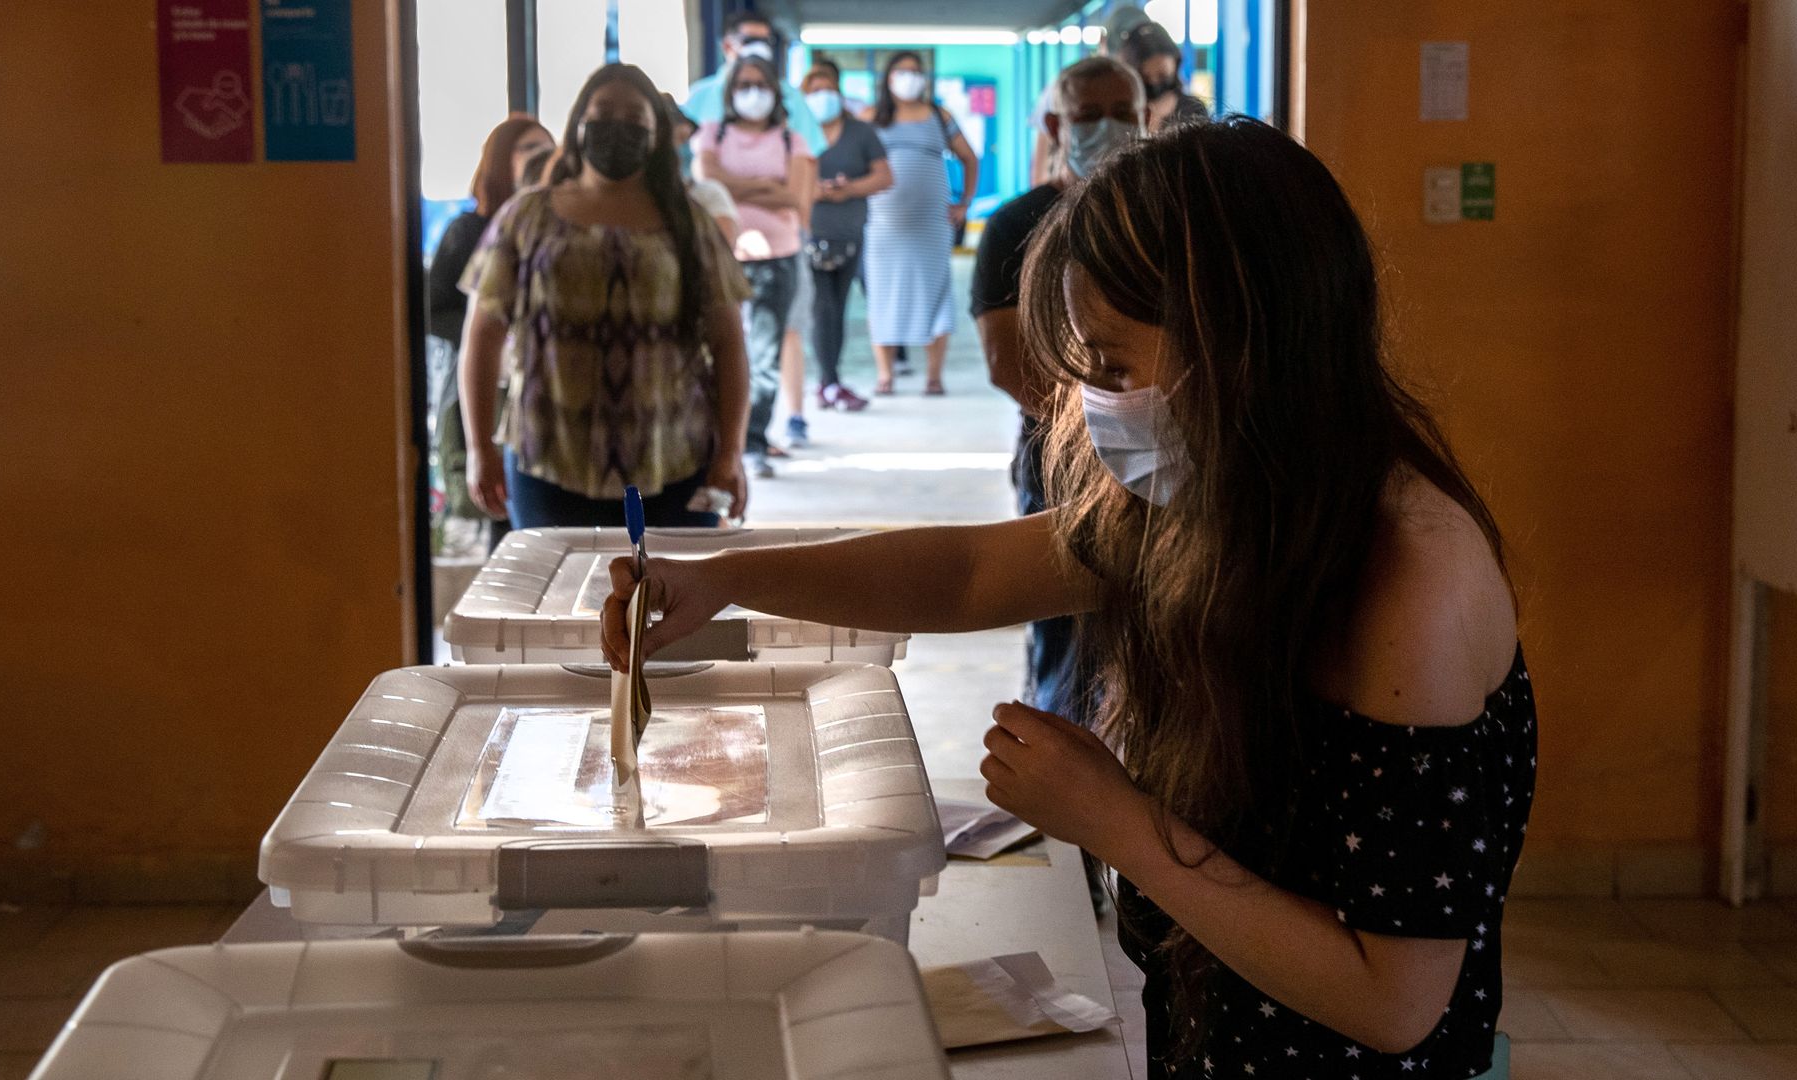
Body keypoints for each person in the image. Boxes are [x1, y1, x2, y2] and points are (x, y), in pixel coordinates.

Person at [601, 118, 1532, 1079]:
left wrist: (1115, 818)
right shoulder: (1229, 494)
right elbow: (968, 573)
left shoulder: (1413, 585)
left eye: (1117, 367)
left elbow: (1393, 1000)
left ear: (1242, 341)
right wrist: (723, 578)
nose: (1098, 401)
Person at [457, 64, 752, 529]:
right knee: (558, 600)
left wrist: (731, 453)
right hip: (547, 458)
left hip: (673, 459)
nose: (617, 125)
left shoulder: (689, 222)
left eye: (634, 117)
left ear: (656, 134)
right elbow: (482, 335)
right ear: (578, 125)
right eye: (602, 113)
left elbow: (729, 343)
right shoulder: (527, 215)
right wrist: (479, 448)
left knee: (670, 600)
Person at [973, 56, 1144, 722]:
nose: (1110, 128)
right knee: (1065, 629)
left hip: (1161, 459)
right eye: (1089, 115)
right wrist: (1107, 432)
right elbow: (1005, 361)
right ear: (1055, 123)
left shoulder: (1161, 219)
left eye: (1124, 113)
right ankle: (1063, 758)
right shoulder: (1018, 226)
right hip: (1062, 461)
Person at [427, 114, 554, 546]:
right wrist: (488, 334)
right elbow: (432, 306)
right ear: (502, 162)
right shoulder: (469, 230)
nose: (542, 157)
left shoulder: (557, 229)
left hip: (541, 394)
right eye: (528, 148)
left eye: (547, 148)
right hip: (488, 386)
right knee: (503, 519)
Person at [692, 56, 815, 480]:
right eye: (743, 83)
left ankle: (753, 441)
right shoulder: (713, 133)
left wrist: (734, 187)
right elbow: (705, 186)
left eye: (760, 83)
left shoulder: (791, 140)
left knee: (763, 356)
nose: (752, 91)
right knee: (713, 350)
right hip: (720, 255)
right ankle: (714, 437)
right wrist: (766, 187)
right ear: (729, 92)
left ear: (775, 92)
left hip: (777, 258)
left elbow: (794, 200)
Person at [865, 52, 978, 396]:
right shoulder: (871, 117)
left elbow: (969, 157)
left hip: (932, 224)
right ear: (888, 77)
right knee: (882, 294)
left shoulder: (939, 116)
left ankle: (934, 376)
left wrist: (964, 204)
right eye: (902, 71)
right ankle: (885, 375)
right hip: (882, 225)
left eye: (916, 72)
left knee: (936, 293)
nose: (909, 78)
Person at [803, 59, 891, 413]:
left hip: (849, 233)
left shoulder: (860, 133)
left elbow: (885, 177)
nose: (822, 97)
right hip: (808, 233)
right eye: (814, 91)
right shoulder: (794, 131)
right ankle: (828, 382)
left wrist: (848, 188)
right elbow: (783, 177)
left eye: (827, 89)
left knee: (837, 309)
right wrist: (813, 190)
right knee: (820, 308)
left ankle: (829, 381)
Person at [1030, 4, 1149, 186]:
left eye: (1122, 113)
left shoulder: (1140, 87)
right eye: (1088, 116)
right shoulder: (1068, 88)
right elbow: (1039, 168)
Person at [683, 9, 826, 155]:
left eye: (766, 42)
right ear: (727, 46)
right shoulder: (699, 97)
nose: (760, 48)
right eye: (750, 41)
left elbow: (809, 155)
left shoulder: (791, 97)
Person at [665, 96, 739, 247]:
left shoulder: (707, 194)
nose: (684, 149)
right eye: (678, 139)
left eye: (686, 139)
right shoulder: (629, 197)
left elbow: (721, 249)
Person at [1122, 21, 1210, 130]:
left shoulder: (1193, 109)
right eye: (1146, 77)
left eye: (1162, 75)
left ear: (1175, 64)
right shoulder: (1121, 112)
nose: (1154, 83)